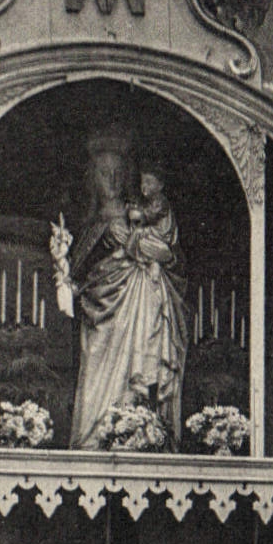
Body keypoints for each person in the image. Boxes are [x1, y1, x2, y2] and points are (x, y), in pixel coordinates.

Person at [67, 147, 189, 451]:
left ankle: (141, 428)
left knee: (144, 355)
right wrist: (107, 236)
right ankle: (93, 435)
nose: (112, 179)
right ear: (91, 177)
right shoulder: (95, 221)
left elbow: (171, 257)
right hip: (105, 303)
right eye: (103, 172)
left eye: (119, 172)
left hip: (142, 297)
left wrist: (141, 245)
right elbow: (76, 269)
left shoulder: (144, 211)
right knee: (97, 355)